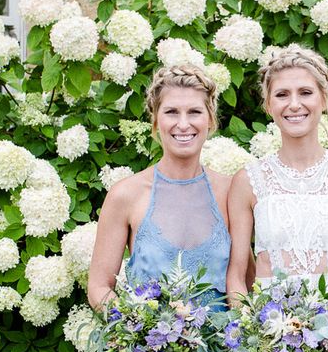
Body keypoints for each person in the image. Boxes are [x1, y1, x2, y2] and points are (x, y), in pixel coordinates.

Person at [226, 45, 328, 323]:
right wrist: (254, 333)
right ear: (268, 105)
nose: (294, 104)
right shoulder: (248, 181)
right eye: (282, 95)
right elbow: (236, 278)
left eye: (306, 93)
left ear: (324, 99)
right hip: (269, 336)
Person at [87, 64, 231, 312]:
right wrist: (137, 328)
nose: (183, 124)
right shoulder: (126, 195)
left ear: (210, 120)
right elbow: (99, 287)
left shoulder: (230, 192)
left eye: (195, 112)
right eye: (172, 112)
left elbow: (246, 283)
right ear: (155, 121)